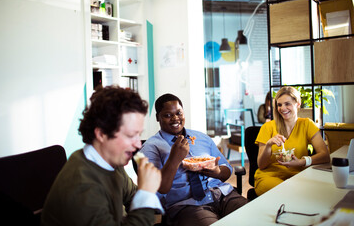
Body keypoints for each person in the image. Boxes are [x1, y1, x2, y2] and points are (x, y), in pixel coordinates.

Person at [41, 86, 163, 226]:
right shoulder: (82, 188)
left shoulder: (111, 161)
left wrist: (146, 191)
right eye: (130, 135)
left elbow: (131, 195)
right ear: (101, 134)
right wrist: (146, 194)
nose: (138, 144)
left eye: (139, 134)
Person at [139, 93, 247, 226]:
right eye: (168, 115)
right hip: (188, 205)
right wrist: (174, 159)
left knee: (254, 217)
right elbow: (158, 189)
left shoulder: (201, 137)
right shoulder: (151, 148)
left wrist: (217, 172)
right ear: (158, 117)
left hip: (223, 195)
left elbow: (227, 170)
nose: (175, 118)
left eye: (179, 113)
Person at [254, 86, 330, 196]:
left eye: (287, 104)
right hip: (269, 177)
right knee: (290, 192)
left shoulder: (307, 124)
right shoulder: (267, 127)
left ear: (298, 104)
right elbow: (261, 165)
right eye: (279, 105)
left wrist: (301, 162)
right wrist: (269, 145)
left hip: (298, 176)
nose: (283, 108)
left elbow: (325, 155)